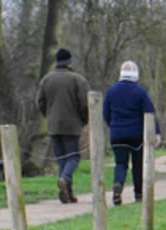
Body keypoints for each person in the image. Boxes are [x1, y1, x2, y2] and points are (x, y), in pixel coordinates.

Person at [36, 47, 90, 203]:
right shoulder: (78, 80)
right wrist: (84, 120)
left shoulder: (46, 79)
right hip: (72, 125)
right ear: (70, 63)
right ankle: (65, 179)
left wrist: (48, 116)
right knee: (73, 157)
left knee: (61, 159)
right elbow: (84, 104)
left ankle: (67, 193)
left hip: (53, 125)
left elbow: (40, 102)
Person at [102, 60, 155, 206]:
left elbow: (106, 113)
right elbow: (149, 112)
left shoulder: (111, 91)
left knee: (120, 163)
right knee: (137, 165)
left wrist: (113, 126)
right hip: (136, 135)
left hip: (117, 133)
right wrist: (155, 132)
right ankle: (138, 194)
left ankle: (118, 185)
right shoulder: (140, 92)